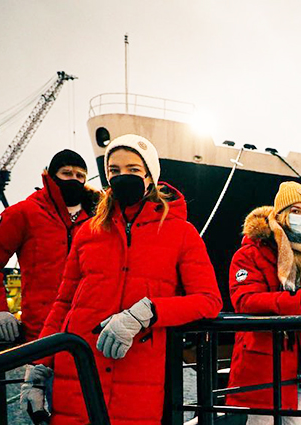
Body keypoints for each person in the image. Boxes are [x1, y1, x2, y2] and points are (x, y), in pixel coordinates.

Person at [23, 134, 223, 424]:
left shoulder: (181, 233)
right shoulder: (88, 232)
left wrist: (147, 312)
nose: (121, 177)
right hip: (77, 374)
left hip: (138, 380)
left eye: (132, 170)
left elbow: (208, 301)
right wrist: (38, 369)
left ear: (150, 176)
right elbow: (63, 303)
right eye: (114, 171)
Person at [226, 181, 301, 425]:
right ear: (280, 214)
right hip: (264, 370)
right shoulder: (251, 253)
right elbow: (245, 300)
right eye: (296, 211)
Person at [0, 149, 99, 342]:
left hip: (89, 332)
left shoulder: (97, 219)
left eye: (80, 175)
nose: (74, 179)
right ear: (51, 176)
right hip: (41, 333)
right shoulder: (24, 213)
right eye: (66, 173)